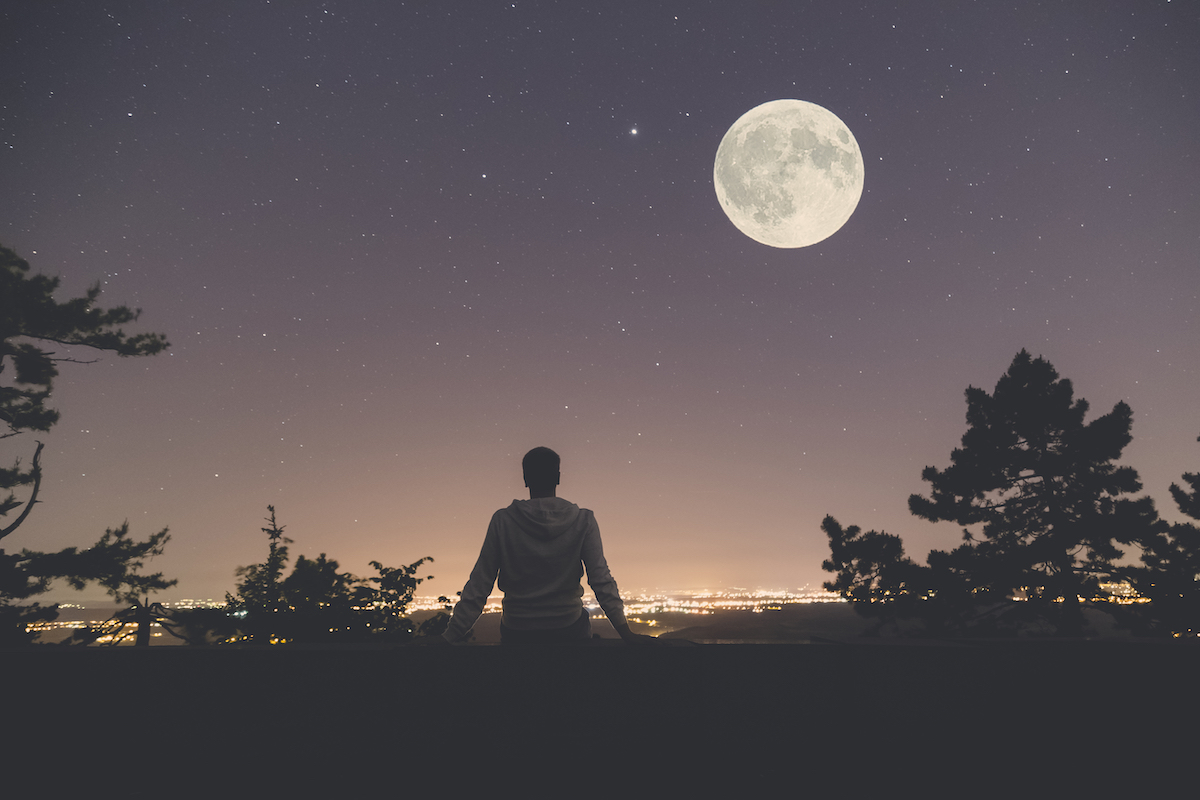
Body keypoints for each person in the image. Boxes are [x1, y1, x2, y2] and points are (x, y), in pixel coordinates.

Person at [440, 446, 653, 645]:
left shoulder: (503, 521)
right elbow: (601, 579)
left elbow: (480, 583)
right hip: (569, 629)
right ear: (558, 478)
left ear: (525, 479)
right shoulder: (583, 521)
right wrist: (625, 632)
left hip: (518, 631)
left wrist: (450, 636)